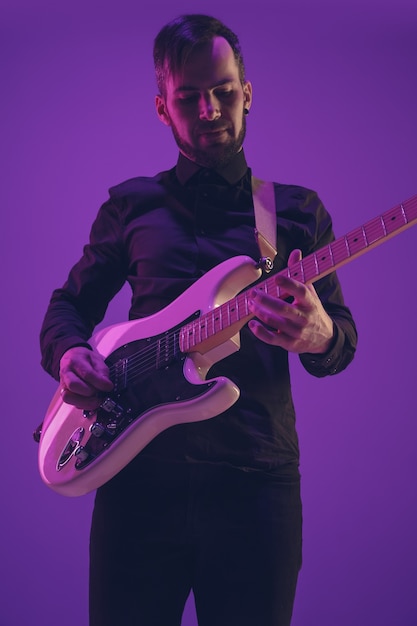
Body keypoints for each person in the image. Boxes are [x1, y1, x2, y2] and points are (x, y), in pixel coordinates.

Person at [39, 13, 357, 626]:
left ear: (246, 92)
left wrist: (319, 336)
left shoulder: (292, 213)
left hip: (255, 487)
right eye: (189, 97)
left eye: (223, 91)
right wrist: (68, 352)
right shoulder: (132, 204)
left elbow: (341, 342)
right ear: (164, 107)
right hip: (136, 481)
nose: (209, 109)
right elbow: (69, 307)